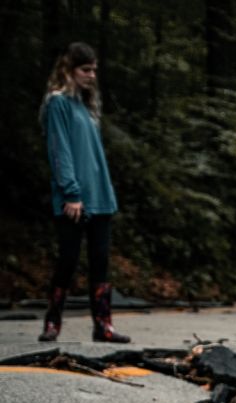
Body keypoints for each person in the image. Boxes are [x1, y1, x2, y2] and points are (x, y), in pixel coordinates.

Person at [38, 42, 130, 343]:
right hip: (74, 198)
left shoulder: (87, 107)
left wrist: (104, 194)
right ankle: (52, 322)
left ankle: (103, 326)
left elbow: (93, 156)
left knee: (100, 261)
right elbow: (59, 151)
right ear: (69, 69)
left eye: (94, 70)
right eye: (85, 69)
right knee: (67, 259)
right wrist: (71, 192)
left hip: (100, 197)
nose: (91, 75)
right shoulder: (57, 103)